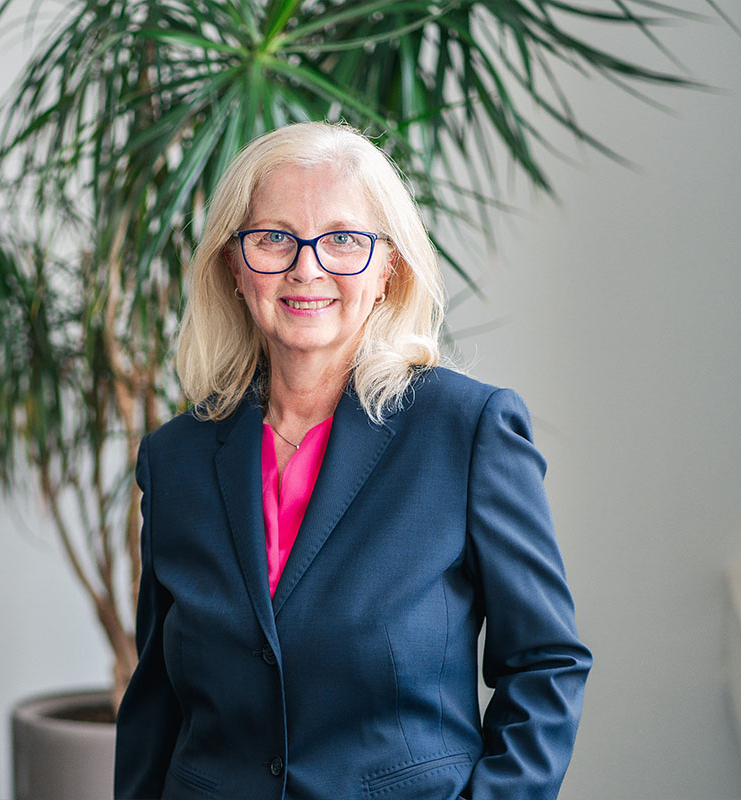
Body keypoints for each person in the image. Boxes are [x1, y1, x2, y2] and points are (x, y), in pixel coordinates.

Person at [113, 121, 591, 800]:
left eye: (342, 239)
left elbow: (546, 663)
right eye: (274, 237)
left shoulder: (466, 431)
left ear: (388, 266)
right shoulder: (176, 459)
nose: (306, 267)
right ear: (235, 266)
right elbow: (157, 701)